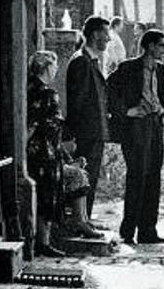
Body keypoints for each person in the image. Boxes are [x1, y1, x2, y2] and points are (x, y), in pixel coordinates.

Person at [107, 29, 164, 245]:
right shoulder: (128, 68)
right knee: (137, 175)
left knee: (153, 177)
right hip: (135, 127)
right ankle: (128, 231)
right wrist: (126, 111)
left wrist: (163, 109)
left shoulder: (160, 69)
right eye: (161, 46)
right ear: (149, 47)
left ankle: (148, 230)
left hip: (155, 126)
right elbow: (108, 90)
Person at [27, 52, 102, 257]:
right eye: (54, 66)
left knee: (55, 188)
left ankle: (79, 222)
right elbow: (36, 126)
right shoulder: (45, 93)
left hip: (46, 151)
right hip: (43, 154)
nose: (57, 70)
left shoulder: (30, 89)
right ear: (47, 68)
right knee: (48, 195)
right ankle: (45, 241)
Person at [65, 15, 110, 218]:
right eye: (105, 33)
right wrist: (72, 135)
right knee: (85, 179)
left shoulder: (88, 60)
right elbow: (78, 102)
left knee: (87, 179)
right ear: (95, 34)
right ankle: (82, 221)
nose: (108, 39)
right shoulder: (82, 62)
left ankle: (85, 220)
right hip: (87, 133)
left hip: (93, 131)